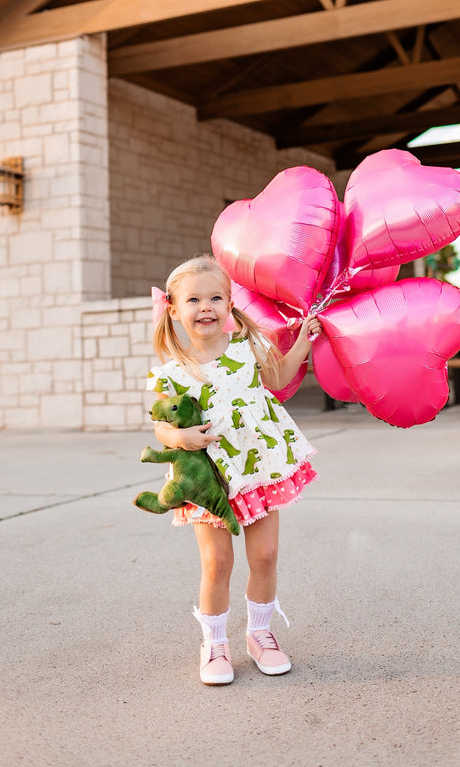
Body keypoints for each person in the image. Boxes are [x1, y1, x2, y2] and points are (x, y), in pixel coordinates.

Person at [147, 254, 321, 686]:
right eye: (194, 300)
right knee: (217, 563)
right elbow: (162, 425)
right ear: (174, 309)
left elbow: (279, 378)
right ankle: (214, 643)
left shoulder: (247, 348)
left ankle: (260, 633)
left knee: (264, 555)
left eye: (215, 298)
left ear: (228, 304)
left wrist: (303, 341)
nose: (205, 306)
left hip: (257, 467)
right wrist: (179, 439)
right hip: (208, 479)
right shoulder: (171, 371)